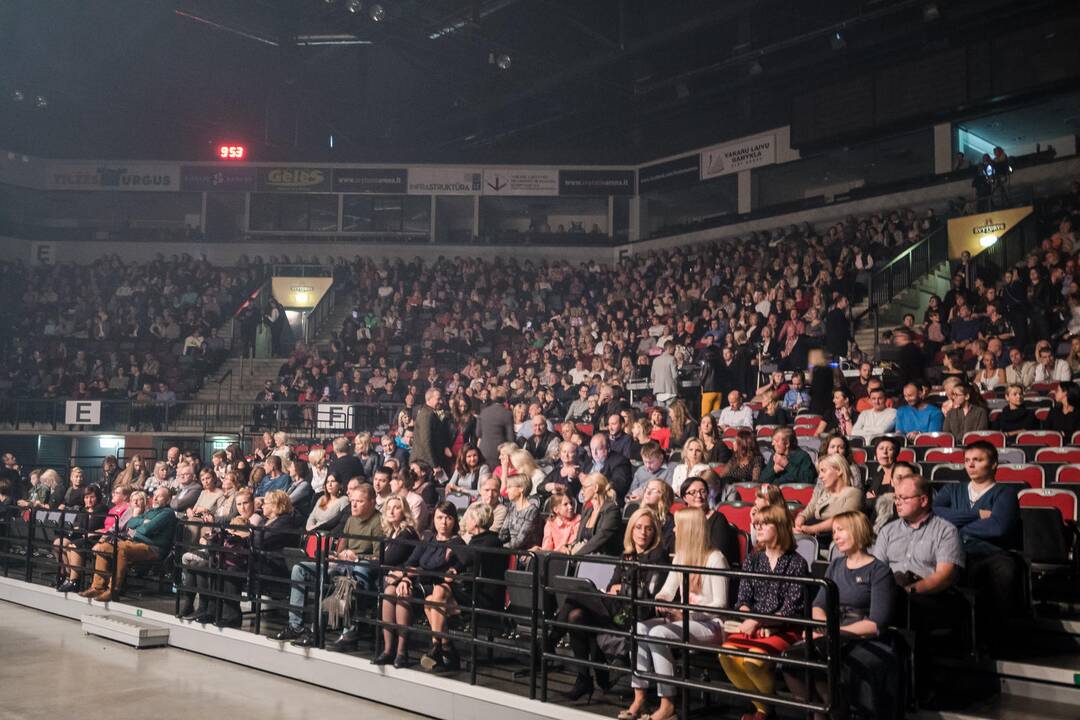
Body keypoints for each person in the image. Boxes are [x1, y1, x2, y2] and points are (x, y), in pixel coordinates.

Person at [783, 511, 899, 720]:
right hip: (833, 629)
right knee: (792, 659)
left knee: (833, 663)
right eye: (834, 530)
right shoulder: (835, 565)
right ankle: (820, 714)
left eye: (841, 530)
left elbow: (876, 623)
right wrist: (822, 627)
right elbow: (818, 604)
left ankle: (839, 714)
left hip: (862, 636)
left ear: (857, 530)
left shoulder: (879, 571)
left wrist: (834, 633)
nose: (835, 536)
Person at [623, 508, 729, 720]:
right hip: (683, 619)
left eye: (678, 526)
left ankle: (667, 704)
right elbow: (668, 589)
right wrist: (662, 600)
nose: (675, 530)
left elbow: (721, 604)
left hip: (710, 625)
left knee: (658, 633)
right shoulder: (681, 556)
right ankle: (639, 696)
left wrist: (686, 612)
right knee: (639, 628)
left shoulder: (715, 558)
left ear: (690, 530)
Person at [871, 473, 965, 698]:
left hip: (929, 594)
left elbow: (944, 576)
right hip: (893, 589)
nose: (898, 503)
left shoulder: (946, 531)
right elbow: (878, 569)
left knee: (910, 610)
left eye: (904, 498)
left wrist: (909, 591)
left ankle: (917, 688)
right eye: (896, 498)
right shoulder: (888, 530)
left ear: (923, 500)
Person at [562, 508, 670, 702]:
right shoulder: (626, 555)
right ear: (631, 529)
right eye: (638, 527)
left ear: (655, 532)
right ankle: (583, 678)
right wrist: (621, 588)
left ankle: (550, 640)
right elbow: (613, 585)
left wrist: (621, 588)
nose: (643, 533)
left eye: (648, 529)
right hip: (617, 607)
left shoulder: (658, 556)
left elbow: (650, 595)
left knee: (579, 594)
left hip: (635, 613)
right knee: (576, 615)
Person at [720, 504, 809, 720]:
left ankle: (765, 711)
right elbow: (743, 598)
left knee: (753, 660)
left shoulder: (796, 562)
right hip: (754, 624)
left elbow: (790, 608)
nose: (757, 528)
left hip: (785, 627)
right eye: (756, 524)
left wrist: (760, 622)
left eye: (764, 524)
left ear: (780, 527)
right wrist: (750, 617)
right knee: (726, 654)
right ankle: (765, 709)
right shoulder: (753, 559)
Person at [933, 442, 1022, 646]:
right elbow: (934, 513)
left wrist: (956, 526)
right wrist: (977, 515)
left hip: (991, 554)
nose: (970, 465)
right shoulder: (952, 489)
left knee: (1002, 570)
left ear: (993, 464)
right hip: (955, 550)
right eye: (967, 460)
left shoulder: (1005, 493)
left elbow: (998, 527)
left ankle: (993, 640)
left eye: (978, 460)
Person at [277, 484, 385, 648]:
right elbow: (340, 549)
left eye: (359, 501)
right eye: (352, 501)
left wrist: (357, 557)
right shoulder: (350, 519)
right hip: (341, 565)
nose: (354, 505)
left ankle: (332, 632)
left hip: (359, 571)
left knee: (341, 575)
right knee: (300, 569)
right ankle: (295, 626)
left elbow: (379, 557)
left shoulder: (378, 522)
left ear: (372, 502)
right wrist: (337, 555)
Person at [81, 486, 178, 602]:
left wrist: (140, 528)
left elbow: (146, 530)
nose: (155, 498)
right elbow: (131, 523)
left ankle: (113, 590)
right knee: (103, 547)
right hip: (136, 543)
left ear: (168, 500)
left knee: (121, 548)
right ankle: (97, 587)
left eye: (160, 496)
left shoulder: (167, 513)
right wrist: (142, 522)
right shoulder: (151, 511)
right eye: (154, 495)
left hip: (153, 548)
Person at [403, 502, 466, 672]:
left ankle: (436, 645)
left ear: (454, 521)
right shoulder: (428, 538)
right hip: (431, 592)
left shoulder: (457, 543)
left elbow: (455, 568)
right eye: (439, 517)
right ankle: (444, 647)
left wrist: (424, 570)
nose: (443, 522)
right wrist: (407, 577)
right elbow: (411, 563)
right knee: (429, 601)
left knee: (438, 591)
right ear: (434, 519)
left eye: (448, 518)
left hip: (455, 596)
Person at [373, 496, 422, 667]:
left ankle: (401, 651)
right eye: (389, 508)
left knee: (399, 593)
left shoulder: (407, 532)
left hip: (410, 581)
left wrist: (362, 559)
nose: (392, 511)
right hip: (391, 582)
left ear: (405, 511)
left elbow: (387, 558)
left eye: (397, 507)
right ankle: (388, 650)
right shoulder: (391, 532)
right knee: (389, 592)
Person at [793, 454, 862, 540]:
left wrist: (811, 529)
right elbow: (809, 509)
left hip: (833, 540)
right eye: (819, 472)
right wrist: (801, 517)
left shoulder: (854, 493)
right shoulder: (823, 491)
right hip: (812, 536)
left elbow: (842, 520)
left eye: (823, 471)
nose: (820, 476)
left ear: (839, 470)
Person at [53, 486, 107, 593]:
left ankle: (74, 581)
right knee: (58, 543)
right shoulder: (83, 509)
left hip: (94, 539)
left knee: (72, 546)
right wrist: (78, 528)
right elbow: (78, 525)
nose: (89, 500)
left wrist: (80, 528)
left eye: (92, 497)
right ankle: (67, 575)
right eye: (86, 497)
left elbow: (91, 527)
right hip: (81, 537)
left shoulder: (101, 509)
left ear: (98, 498)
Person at [680, 476, 740, 567]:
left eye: (703, 491)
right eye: (693, 492)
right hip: (684, 565)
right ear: (684, 497)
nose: (699, 495)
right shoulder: (681, 518)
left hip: (709, 568)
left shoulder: (718, 519)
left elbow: (718, 553)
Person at [570, 473, 622, 556]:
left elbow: (600, 538)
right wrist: (569, 547)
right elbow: (579, 539)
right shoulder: (587, 510)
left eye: (584, 487)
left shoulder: (611, 510)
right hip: (583, 559)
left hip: (603, 562)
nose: (582, 492)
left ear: (595, 488)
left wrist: (575, 555)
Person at [585, 433, 632, 505]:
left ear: (608, 448)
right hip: (586, 503)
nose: (594, 453)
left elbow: (619, 484)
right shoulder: (588, 463)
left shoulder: (619, 461)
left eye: (598, 449)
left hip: (606, 503)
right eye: (592, 449)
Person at [499, 474, 542, 551]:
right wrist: (495, 543)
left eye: (509, 487)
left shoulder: (532, 511)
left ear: (521, 488)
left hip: (524, 554)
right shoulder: (512, 507)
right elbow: (503, 533)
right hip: (509, 550)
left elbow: (520, 540)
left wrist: (500, 548)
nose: (506, 491)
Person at [412, 387, 451, 470]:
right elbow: (426, 442)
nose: (441, 401)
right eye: (438, 399)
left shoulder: (430, 413)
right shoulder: (427, 415)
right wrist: (435, 465)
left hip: (427, 462)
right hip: (424, 464)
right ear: (429, 399)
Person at [535, 489, 581, 553]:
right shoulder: (550, 524)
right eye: (565, 504)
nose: (570, 507)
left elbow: (575, 545)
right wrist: (538, 550)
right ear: (556, 509)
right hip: (554, 558)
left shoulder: (578, 520)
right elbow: (546, 549)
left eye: (571, 503)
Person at [650, 341, 679, 406]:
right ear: (669, 348)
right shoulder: (672, 359)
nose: (674, 351)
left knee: (661, 413)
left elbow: (652, 376)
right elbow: (675, 375)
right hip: (670, 390)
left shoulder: (655, 360)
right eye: (674, 349)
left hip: (659, 391)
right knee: (670, 413)